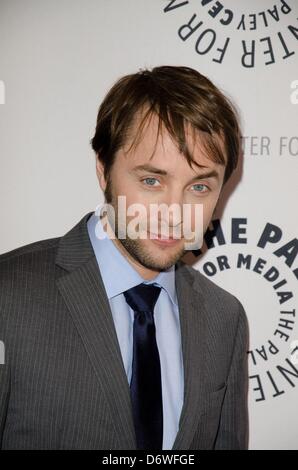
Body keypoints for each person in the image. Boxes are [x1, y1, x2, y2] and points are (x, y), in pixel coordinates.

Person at [0, 65, 249, 450]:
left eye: (199, 186)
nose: (175, 211)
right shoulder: (8, 294)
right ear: (104, 170)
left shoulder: (225, 317)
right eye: (152, 180)